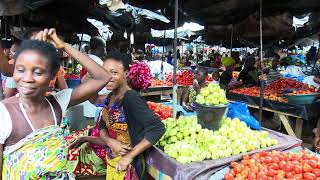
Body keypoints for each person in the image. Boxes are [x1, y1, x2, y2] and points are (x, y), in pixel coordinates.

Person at [0, 28, 111, 179]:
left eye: (38, 72)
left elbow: (103, 77)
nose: (27, 78)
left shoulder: (57, 103)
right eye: (20, 70)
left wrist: (64, 45)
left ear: (53, 74)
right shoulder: (4, 113)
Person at [84, 51, 165, 179]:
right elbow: (102, 126)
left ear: (126, 74)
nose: (108, 77)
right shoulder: (111, 97)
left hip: (128, 168)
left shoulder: (131, 98)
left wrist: (130, 155)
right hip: (113, 164)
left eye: (114, 72)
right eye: (105, 72)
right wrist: (110, 141)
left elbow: (157, 128)